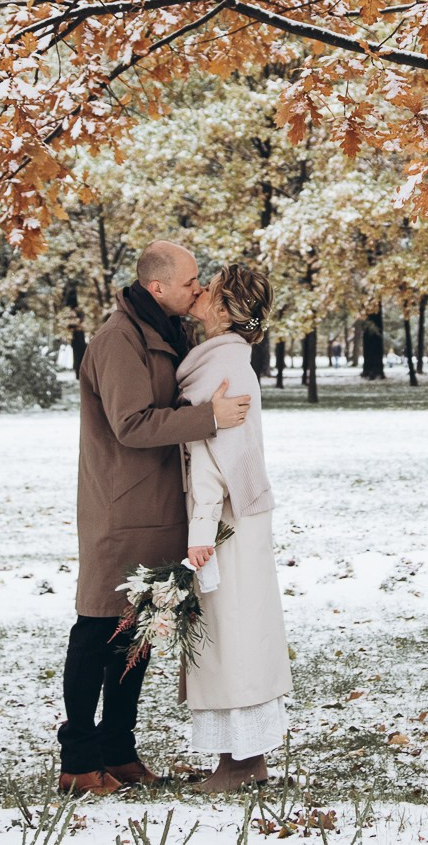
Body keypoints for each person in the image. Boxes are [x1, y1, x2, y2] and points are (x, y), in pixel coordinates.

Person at [59, 241, 250, 796]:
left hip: (158, 508)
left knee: (136, 636)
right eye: (191, 281)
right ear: (158, 287)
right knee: (97, 630)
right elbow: (133, 425)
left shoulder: (166, 334)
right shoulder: (120, 341)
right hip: (121, 512)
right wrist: (207, 418)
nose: (199, 288)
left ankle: (118, 750)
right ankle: (77, 759)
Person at [177, 263, 291, 792]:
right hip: (240, 516)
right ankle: (239, 757)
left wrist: (201, 531)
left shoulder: (220, 369)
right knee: (234, 631)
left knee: (232, 635)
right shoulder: (224, 360)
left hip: (225, 521)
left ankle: (242, 763)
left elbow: (210, 458)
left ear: (225, 310)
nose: (198, 291)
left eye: (211, 289)